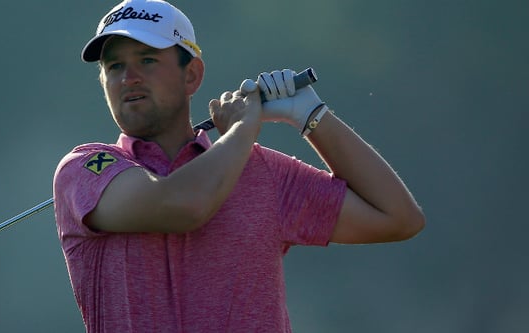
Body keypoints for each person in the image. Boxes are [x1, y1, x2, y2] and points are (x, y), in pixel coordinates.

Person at [52, 0, 425, 331]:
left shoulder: (260, 171)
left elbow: (398, 217)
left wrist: (312, 116)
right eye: (114, 66)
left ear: (192, 75)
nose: (128, 77)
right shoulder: (85, 168)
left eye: (147, 60)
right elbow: (183, 206)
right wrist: (246, 128)